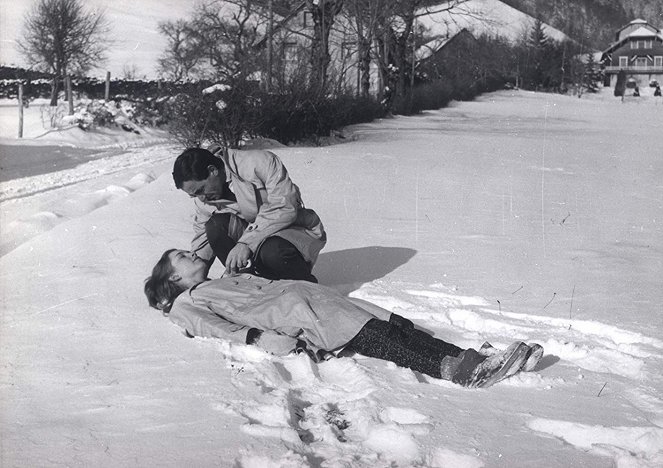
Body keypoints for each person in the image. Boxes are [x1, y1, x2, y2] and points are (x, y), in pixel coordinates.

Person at [144, 249, 544, 388]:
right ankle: (458, 371)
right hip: (303, 316)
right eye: (182, 257)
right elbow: (213, 328)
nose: (192, 254)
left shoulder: (220, 281)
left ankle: (474, 358)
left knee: (393, 327)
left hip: (313, 301)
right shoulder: (185, 303)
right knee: (382, 341)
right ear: (174, 279)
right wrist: (258, 339)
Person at [172, 146, 326, 283]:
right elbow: (202, 238)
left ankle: (306, 287)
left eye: (200, 190)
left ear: (212, 170)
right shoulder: (204, 198)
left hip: (291, 230)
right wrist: (188, 277)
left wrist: (246, 243)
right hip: (253, 240)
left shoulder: (259, 162)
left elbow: (285, 206)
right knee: (214, 226)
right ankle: (248, 283)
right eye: (194, 195)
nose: (201, 198)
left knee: (272, 251)